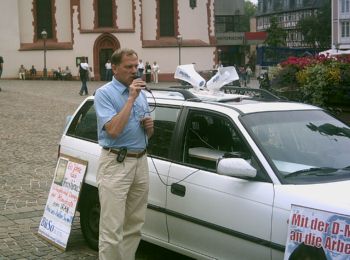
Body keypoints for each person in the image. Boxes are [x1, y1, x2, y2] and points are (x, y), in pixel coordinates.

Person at [94, 48, 154, 260]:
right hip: (116, 162)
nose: (133, 70)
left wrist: (149, 126)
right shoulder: (104, 94)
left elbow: (149, 133)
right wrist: (130, 99)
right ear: (115, 67)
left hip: (140, 161)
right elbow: (113, 130)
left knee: (134, 224)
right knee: (112, 228)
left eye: (136, 66)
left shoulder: (141, 94)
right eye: (128, 67)